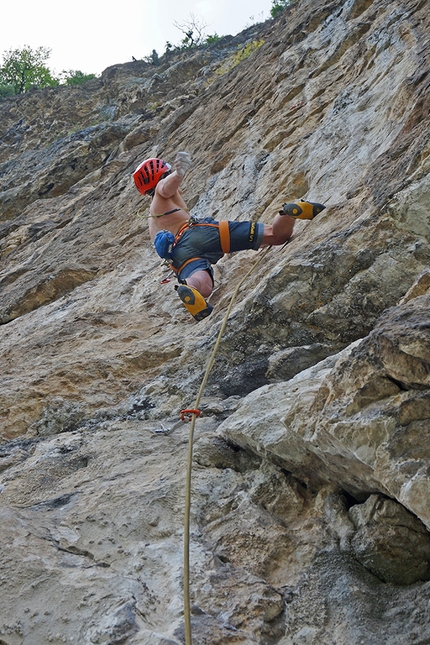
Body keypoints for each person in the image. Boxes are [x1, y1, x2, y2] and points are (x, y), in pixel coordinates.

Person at [133, 152, 325, 321]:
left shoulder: (153, 216)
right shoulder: (161, 192)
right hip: (199, 233)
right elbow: (165, 187)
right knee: (275, 235)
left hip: (180, 256)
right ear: (161, 175)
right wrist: (179, 173)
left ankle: (190, 287)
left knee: (204, 286)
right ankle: (288, 213)